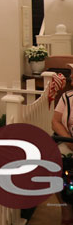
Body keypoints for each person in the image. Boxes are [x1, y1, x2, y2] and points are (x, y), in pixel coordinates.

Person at [52, 89, 73, 223]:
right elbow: (55, 122)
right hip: (69, 142)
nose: (71, 79)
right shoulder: (67, 97)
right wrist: (70, 142)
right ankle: (66, 208)